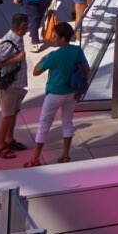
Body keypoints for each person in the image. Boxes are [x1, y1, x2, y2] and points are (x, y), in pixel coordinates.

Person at [27, 22, 88, 167]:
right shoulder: (77, 51)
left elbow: (36, 72)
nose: (52, 39)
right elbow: (87, 69)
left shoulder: (53, 56)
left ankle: (35, 158)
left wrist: (42, 59)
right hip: (72, 93)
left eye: (55, 37)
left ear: (62, 39)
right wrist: (80, 89)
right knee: (67, 121)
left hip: (54, 93)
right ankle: (65, 155)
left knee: (44, 125)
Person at [0, 13, 30, 159]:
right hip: (9, 86)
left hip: (17, 84)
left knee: (13, 113)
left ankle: (9, 139)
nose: (29, 27)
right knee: (7, 116)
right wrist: (16, 59)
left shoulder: (18, 38)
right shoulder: (9, 42)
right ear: (22, 26)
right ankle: (1, 147)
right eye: (27, 25)